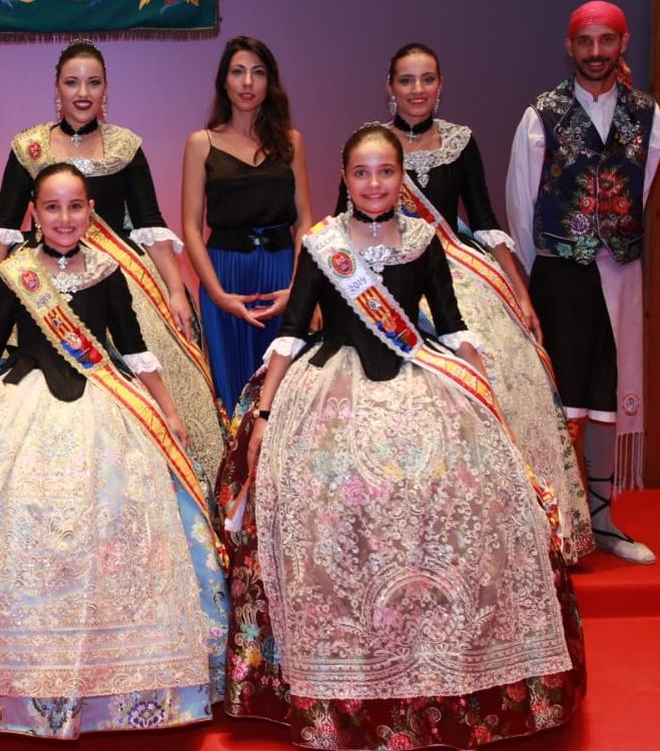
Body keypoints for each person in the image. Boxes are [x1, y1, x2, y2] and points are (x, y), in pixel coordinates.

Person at [219, 125, 583, 749]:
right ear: (344, 178)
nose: (374, 184)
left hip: (419, 376)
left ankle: (452, 658)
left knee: (463, 492)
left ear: (400, 178)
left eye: (386, 172)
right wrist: (267, 412)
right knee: (321, 498)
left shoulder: (422, 241)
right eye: (361, 173)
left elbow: (453, 325)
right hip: (331, 386)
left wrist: (483, 393)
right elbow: (291, 331)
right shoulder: (322, 244)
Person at [0, 163, 226, 738]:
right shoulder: (16, 273)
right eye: (53, 207)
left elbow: (134, 349)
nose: (64, 218)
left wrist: (167, 409)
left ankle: (112, 674)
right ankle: (10, 671)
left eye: (75, 207)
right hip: (18, 407)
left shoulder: (109, 271)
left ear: (91, 212)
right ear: (34, 213)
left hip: (103, 409)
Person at [331, 43, 592, 562]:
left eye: (427, 79)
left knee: (501, 368)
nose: (417, 90)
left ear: (441, 85)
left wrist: (520, 293)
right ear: (389, 87)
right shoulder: (371, 144)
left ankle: (516, 529)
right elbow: (345, 221)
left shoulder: (461, 141)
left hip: (457, 270)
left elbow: (486, 220)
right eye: (406, 80)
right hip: (386, 269)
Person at [0, 39, 228, 501]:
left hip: (117, 276)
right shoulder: (28, 147)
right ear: (57, 88)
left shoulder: (126, 146)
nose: (83, 92)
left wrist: (174, 290)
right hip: (40, 280)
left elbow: (150, 225)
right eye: (72, 82)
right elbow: (4, 227)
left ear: (107, 88)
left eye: (93, 82)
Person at [506, 1, 660, 564]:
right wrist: (536, 271)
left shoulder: (647, 113)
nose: (596, 53)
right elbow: (521, 202)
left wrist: (613, 240)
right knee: (560, 396)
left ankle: (602, 519)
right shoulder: (541, 113)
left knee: (608, 393)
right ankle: (557, 527)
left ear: (623, 43)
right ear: (569, 47)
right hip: (558, 271)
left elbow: (642, 187)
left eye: (606, 41)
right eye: (585, 42)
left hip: (619, 271)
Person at [181, 36, 313, 410]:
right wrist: (218, 295)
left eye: (258, 72)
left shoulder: (291, 142)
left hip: (281, 274)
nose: (248, 82)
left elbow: (305, 220)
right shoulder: (201, 143)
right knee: (231, 388)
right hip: (225, 274)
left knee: (283, 395)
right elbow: (191, 228)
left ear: (270, 82)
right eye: (238, 72)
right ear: (224, 81)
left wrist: (298, 288)